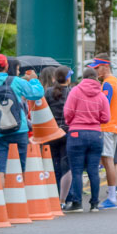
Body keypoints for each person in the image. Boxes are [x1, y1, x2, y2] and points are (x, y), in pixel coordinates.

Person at [62, 67, 109, 212]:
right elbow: (106, 117)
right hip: (96, 134)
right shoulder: (101, 94)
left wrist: (72, 122)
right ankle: (94, 203)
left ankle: (77, 203)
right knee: (93, 170)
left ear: (83, 77)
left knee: (76, 170)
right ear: (95, 78)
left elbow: (68, 112)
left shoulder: (75, 91)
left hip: (77, 133)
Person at [89, 54, 117, 209]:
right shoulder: (116, 82)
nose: (95, 71)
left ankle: (112, 197)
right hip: (113, 126)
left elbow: (103, 105)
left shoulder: (108, 84)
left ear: (105, 66)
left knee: (108, 160)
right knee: (107, 160)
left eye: (97, 68)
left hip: (106, 127)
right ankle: (112, 195)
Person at [45, 66, 73, 204]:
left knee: (54, 164)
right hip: (68, 132)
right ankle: (67, 196)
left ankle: (55, 194)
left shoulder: (48, 92)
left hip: (52, 132)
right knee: (67, 166)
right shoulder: (72, 92)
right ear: (68, 78)